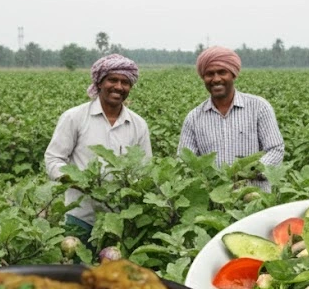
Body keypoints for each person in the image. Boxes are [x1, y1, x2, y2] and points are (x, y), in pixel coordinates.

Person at [44, 53, 152, 232]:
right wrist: (76, 180)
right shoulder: (74, 117)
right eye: (112, 80)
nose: (118, 87)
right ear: (100, 82)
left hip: (121, 221)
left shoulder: (138, 124)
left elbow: (145, 168)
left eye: (125, 82)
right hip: (80, 217)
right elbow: (53, 159)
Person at [177, 46, 284, 185]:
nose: (216, 79)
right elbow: (183, 161)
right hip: (214, 201)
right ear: (203, 77)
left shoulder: (259, 107)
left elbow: (276, 149)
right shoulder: (193, 118)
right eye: (209, 74)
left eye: (222, 72)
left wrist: (248, 172)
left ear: (233, 74)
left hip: (255, 199)